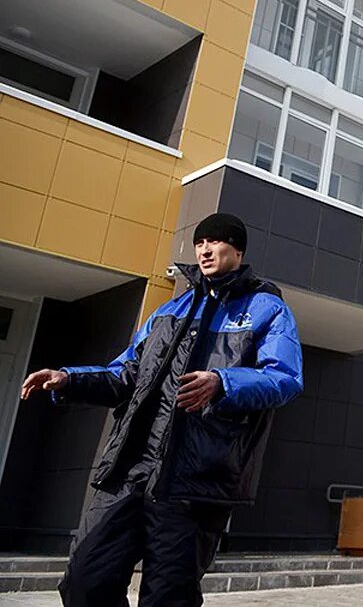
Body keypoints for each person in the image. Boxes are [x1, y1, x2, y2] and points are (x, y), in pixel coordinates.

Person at [20, 213, 304, 607]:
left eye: (216, 241)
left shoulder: (267, 309)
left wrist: (223, 382)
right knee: (84, 581)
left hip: (195, 479)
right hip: (131, 469)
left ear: (238, 251)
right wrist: (70, 378)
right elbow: (125, 375)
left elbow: (284, 378)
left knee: (169, 598)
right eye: (200, 241)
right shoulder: (171, 309)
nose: (205, 249)